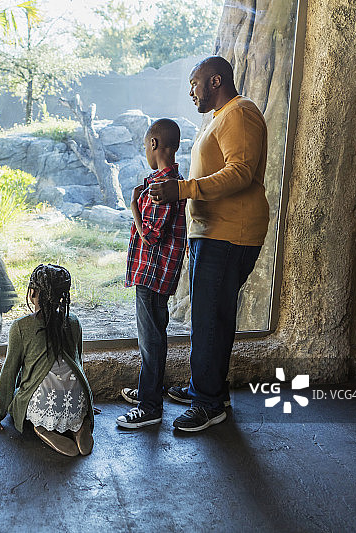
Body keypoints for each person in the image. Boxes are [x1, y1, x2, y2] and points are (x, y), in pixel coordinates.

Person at [148, 56, 269, 432]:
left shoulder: (240, 113)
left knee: (211, 320)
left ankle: (209, 403)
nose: (190, 91)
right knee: (208, 317)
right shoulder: (221, 118)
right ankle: (205, 387)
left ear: (215, 80)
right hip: (214, 232)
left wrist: (182, 190)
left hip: (229, 234)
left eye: (194, 83)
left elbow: (240, 173)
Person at [0, 264, 94, 457]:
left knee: (17, 400)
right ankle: (80, 426)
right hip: (77, 397)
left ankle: (43, 429)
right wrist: (86, 399)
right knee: (69, 391)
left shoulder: (21, 327)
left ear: (33, 293)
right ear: (62, 297)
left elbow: (10, 372)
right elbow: (78, 362)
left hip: (44, 404)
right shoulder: (73, 322)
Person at [117, 119, 187, 429]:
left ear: (155, 145)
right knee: (154, 334)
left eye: (147, 146)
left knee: (151, 339)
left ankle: (149, 406)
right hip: (156, 273)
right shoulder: (165, 180)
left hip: (152, 273)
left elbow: (150, 235)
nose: (147, 151)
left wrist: (133, 203)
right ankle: (150, 389)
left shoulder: (162, 187)